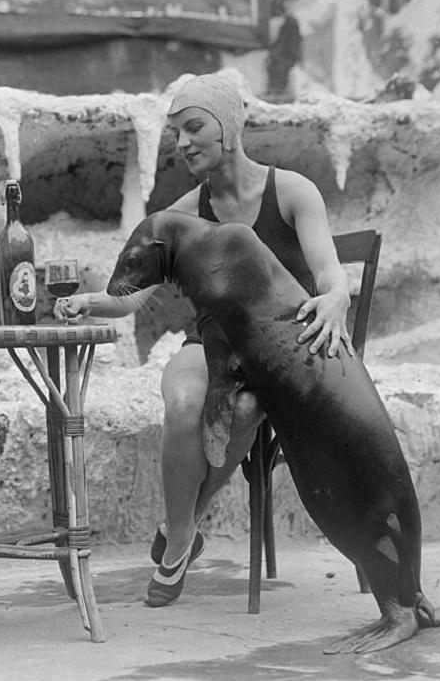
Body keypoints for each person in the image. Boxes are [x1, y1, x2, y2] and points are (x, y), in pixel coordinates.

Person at [55, 74, 351, 607]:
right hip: (211, 342)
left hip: (278, 349)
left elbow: (330, 274)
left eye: (194, 128)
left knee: (245, 404)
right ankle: (184, 532)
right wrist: (87, 302)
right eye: (177, 134)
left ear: (229, 128)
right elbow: (130, 298)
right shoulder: (188, 210)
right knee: (186, 400)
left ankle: (178, 533)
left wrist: (337, 299)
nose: (183, 142)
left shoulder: (292, 191)